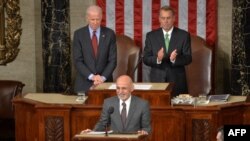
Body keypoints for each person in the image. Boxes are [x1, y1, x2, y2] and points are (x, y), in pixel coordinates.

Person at [143, 5, 192, 97]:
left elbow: (188, 58)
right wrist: (157, 58)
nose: (165, 21)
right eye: (163, 18)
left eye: (168, 18)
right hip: (157, 80)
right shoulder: (151, 36)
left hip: (177, 81)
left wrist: (175, 59)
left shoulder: (184, 35)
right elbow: (146, 58)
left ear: (174, 18)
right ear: (159, 19)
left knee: (177, 109)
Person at [81, 75, 151, 135]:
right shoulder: (108, 103)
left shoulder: (142, 104)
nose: (120, 92)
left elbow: (147, 128)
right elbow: (103, 124)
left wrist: (144, 132)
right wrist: (92, 132)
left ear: (132, 88)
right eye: (118, 88)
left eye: (124, 88)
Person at [72, 5, 117, 93]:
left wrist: (102, 78)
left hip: (105, 83)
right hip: (84, 84)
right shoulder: (78, 34)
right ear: (87, 18)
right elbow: (77, 61)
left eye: (98, 19)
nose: (95, 22)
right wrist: (92, 77)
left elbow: (113, 61)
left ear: (101, 17)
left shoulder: (110, 34)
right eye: (93, 19)